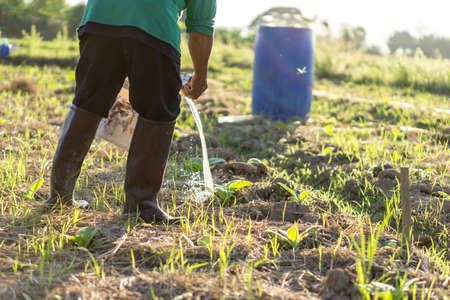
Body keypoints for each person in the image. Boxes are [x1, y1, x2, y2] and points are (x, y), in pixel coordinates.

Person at [45, 0, 216, 224]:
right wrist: (200, 76)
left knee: (88, 101)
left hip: (100, 21)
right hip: (154, 28)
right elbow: (201, 25)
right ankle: (142, 206)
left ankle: (59, 195)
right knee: (158, 111)